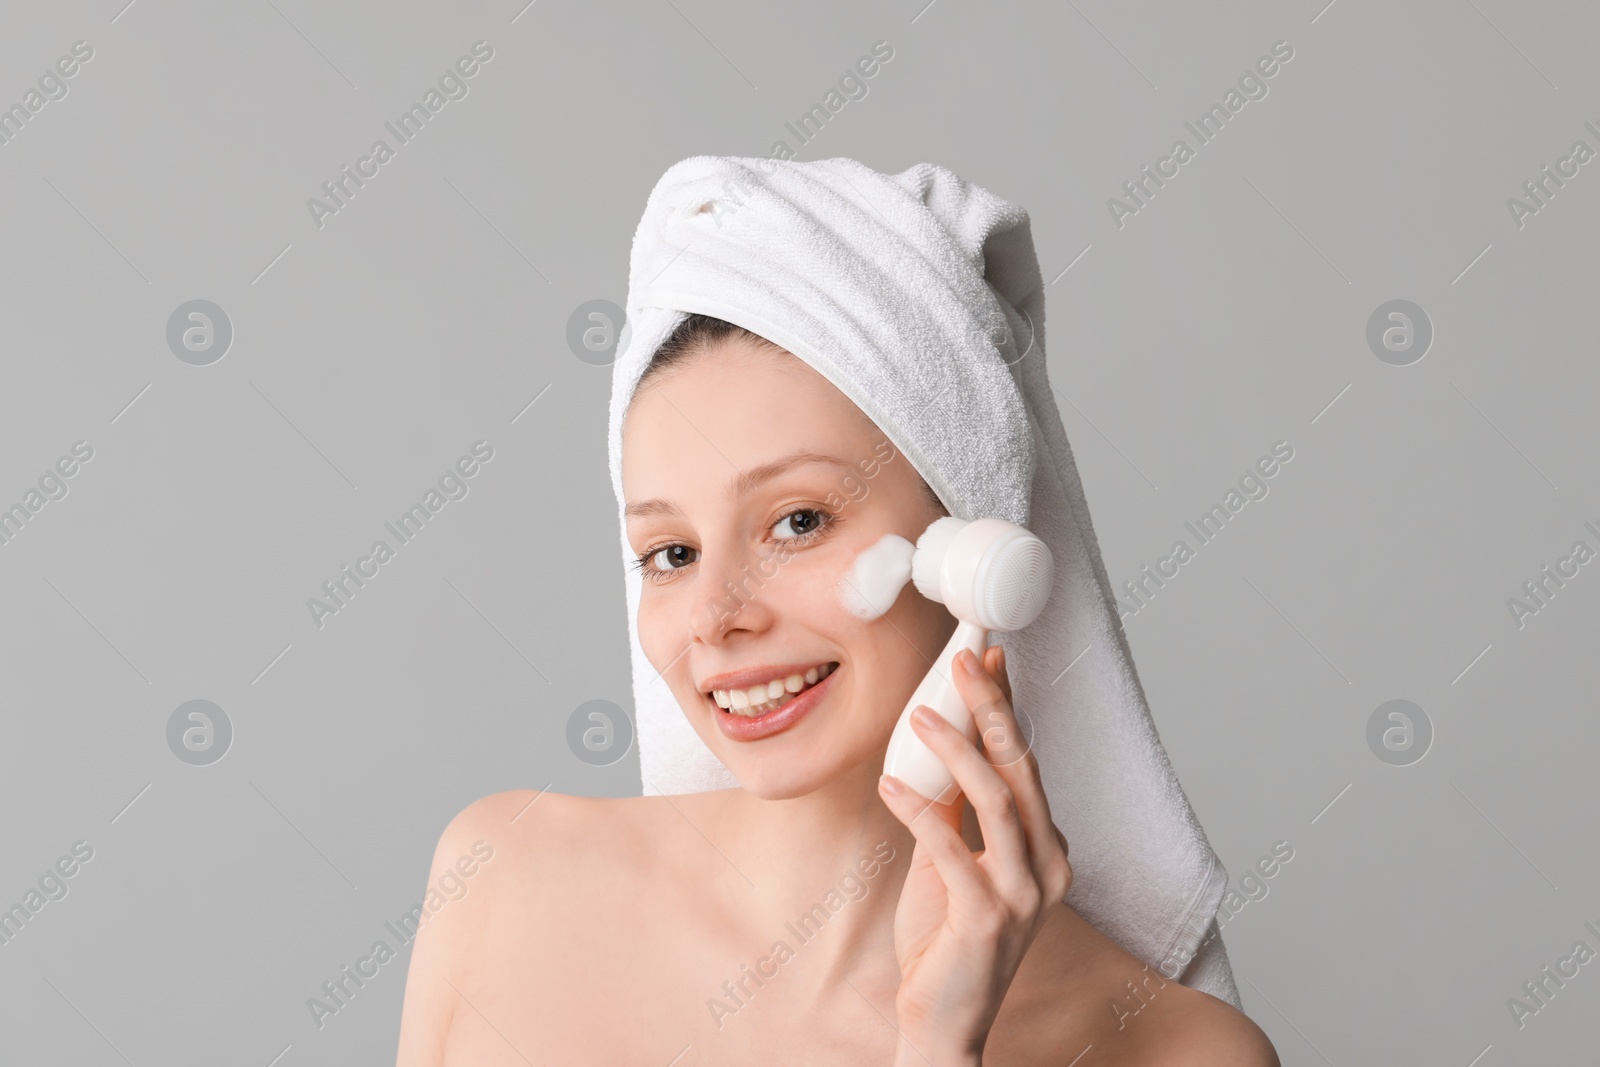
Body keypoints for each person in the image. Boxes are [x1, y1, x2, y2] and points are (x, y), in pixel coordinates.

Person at [396, 310, 1278, 1064]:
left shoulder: (1176, 1050)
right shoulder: (501, 876)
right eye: (672, 553)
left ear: (970, 555)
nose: (715, 615)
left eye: (798, 521)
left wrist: (940, 1045)